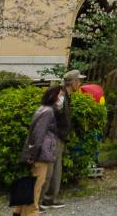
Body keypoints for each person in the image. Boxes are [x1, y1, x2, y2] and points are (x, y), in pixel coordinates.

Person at [13, 86, 66, 216]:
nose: (61, 98)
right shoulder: (48, 112)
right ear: (53, 97)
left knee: (30, 182)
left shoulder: (43, 109)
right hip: (41, 154)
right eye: (59, 95)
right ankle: (31, 212)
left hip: (38, 153)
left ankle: (18, 210)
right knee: (37, 185)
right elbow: (39, 134)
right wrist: (33, 154)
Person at [39, 71, 83, 209]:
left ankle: (49, 198)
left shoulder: (66, 95)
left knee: (56, 170)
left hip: (60, 136)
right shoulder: (61, 95)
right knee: (48, 171)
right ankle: (37, 201)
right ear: (73, 82)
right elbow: (54, 113)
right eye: (79, 81)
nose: (80, 84)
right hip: (54, 136)